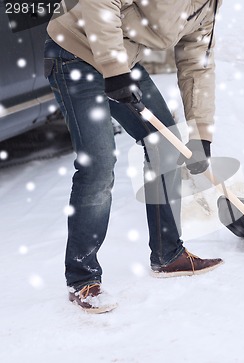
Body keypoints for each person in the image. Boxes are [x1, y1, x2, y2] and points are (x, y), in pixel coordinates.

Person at [44, 0, 223, 313]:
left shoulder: (208, 8)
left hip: (121, 63)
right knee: (98, 165)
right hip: (74, 53)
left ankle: (168, 253)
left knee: (165, 145)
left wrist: (201, 136)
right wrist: (115, 69)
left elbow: (198, 65)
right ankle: (82, 277)